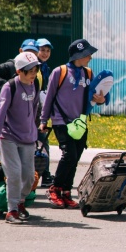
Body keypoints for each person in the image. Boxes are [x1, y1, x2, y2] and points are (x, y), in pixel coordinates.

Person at [39, 39, 105, 209]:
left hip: (79, 123)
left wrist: (101, 99)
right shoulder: (59, 72)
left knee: (75, 157)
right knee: (69, 155)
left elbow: (97, 95)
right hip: (61, 121)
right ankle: (55, 189)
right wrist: (43, 120)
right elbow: (49, 97)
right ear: (78, 55)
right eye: (88, 54)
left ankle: (66, 191)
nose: (90, 57)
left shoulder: (88, 73)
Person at [0, 52, 41, 223]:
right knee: (14, 174)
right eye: (30, 71)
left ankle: (20, 202)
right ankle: (12, 210)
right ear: (19, 71)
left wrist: (34, 131)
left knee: (29, 176)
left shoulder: (35, 84)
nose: (33, 74)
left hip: (28, 138)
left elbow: (35, 108)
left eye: (35, 70)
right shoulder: (9, 87)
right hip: (8, 137)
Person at [35, 38, 54, 187]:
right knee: (41, 141)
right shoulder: (34, 67)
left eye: (48, 51)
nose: (45, 53)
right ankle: (44, 174)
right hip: (32, 111)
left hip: (40, 109)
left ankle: (45, 174)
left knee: (43, 141)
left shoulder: (45, 68)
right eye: (42, 50)